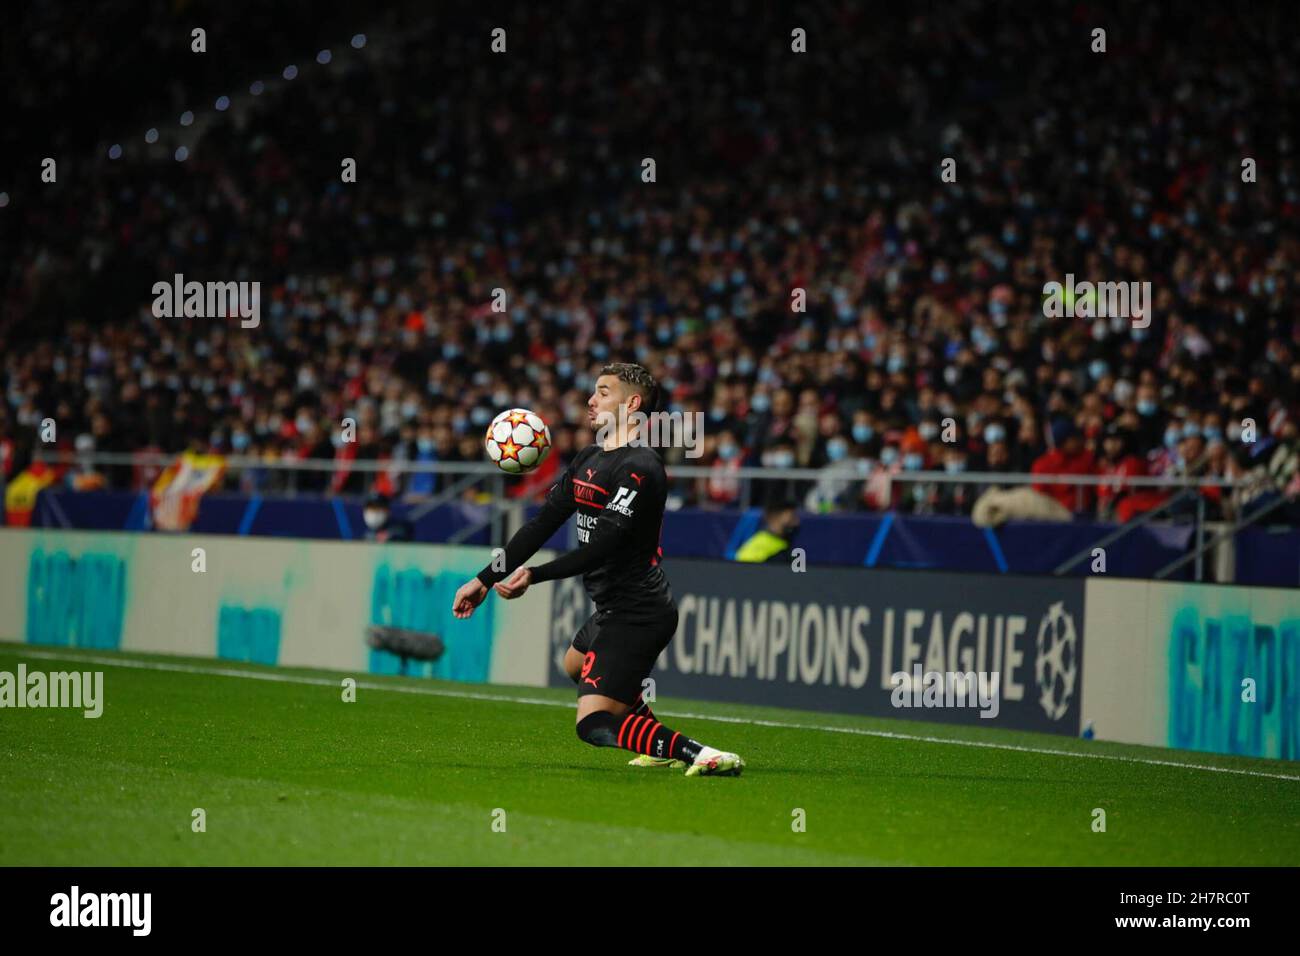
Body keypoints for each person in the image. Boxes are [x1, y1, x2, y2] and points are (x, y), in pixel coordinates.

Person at [451, 363, 744, 777]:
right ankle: (653, 739)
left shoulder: (641, 467)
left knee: (593, 724)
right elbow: (541, 524)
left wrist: (535, 575)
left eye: (603, 392)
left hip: (638, 612)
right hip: (611, 607)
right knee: (574, 664)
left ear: (632, 404)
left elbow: (602, 548)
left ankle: (699, 753)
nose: (590, 400)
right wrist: (484, 579)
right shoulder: (590, 458)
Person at [734, 500, 800, 563]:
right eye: (791, 518)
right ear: (774, 517)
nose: (796, 523)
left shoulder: (786, 545)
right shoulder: (758, 545)